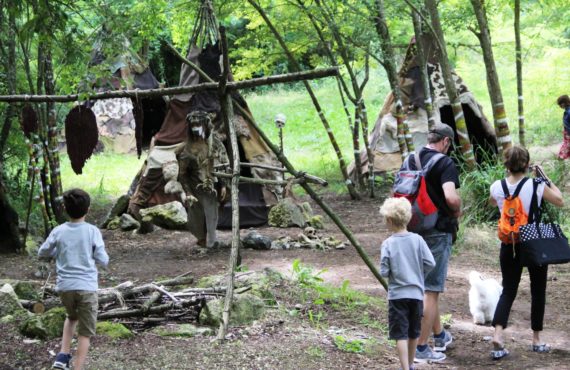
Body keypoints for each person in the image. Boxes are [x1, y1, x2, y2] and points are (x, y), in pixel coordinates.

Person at [489, 145, 563, 360]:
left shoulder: (497, 186)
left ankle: (498, 334)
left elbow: (494, 203)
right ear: (527, 163)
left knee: (508, 290)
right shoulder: (536, 184)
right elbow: (559, 200)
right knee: (538, 290)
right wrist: (545, 178)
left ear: (506, 164)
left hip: (509, 242)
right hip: (533, 243)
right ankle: (537, 340)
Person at [406, 123, 461, 363]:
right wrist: (458, 209)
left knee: (427, 286)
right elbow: (450, 197)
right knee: (431, 289)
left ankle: (439, 335)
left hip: (412, 227)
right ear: (446, 141)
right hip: (438, 230)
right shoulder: (445, 163)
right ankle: (420, 347)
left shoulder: (410, 158)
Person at [38, 188, 109, 370]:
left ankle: (62, 356)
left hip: (65, 287)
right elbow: (103, 260)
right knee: (85, 333)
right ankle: (77, 367)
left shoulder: (59, 231)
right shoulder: (92, 231)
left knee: (71, 317)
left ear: (65, 209)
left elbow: (42, 252)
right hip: (86, 288)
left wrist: (57, 252)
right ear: (88, 209)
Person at [380, 197, 436, 370]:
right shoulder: (418, 240)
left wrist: (392, 273)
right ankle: (411, 365)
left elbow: (384, 271)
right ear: (408, 218)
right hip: (416, 295)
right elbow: (431, 263)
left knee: (400, 334)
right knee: (413, 332)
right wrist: (418, 275)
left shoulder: (388, 243)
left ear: (389, 220)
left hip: (397, 296)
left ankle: (405, 367)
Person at [557, 95, 570, 160]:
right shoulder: (567, 111)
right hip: (567, 134)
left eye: (560, 104)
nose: (560, 106)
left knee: (564, 151)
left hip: (569, 135)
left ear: (565, 102)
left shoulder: (569, 112)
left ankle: (560, 160)